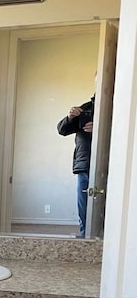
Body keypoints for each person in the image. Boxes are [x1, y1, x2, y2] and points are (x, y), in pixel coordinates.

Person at [57, 94, 94, 238]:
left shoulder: (117, 108)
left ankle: (103, 238)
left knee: (105, 203)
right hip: (84, 164)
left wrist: (100, 126)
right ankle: (85, 235)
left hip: (108, 164)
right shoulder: (85, 109)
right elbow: (62, 130)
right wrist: (70, 117)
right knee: (83, 204)